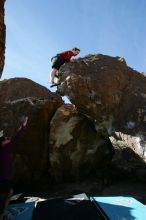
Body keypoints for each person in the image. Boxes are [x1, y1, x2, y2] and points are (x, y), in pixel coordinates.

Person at [0, 116, 28, 220]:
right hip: (3, 180)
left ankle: (2, 213)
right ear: (2, 143)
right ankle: (1, 215)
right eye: (6, 139)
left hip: (4, 179)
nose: (8, 139)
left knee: (9, 192)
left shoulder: (4, 150)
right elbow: (17, 138)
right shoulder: (5, 150)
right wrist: (23, 126)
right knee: (5, 195)